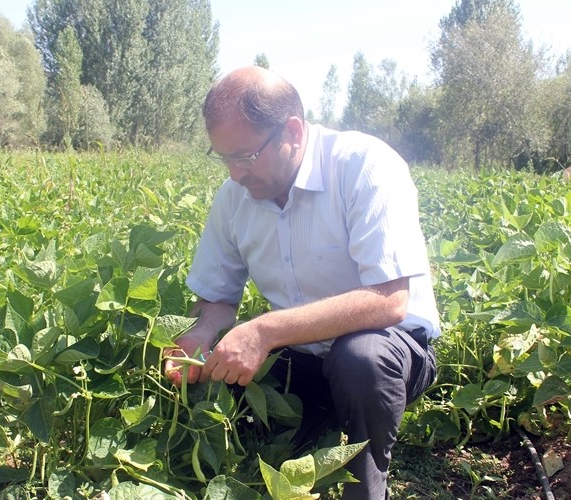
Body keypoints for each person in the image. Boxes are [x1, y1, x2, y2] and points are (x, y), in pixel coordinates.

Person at [164, 66, 440, 499]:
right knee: (232, 388)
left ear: (291, 131)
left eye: (245, 157)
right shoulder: (234, 197)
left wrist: (264, 330)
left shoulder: (363, 165)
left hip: (388, 348)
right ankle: (302, 434)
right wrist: (199, 336)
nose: (235, 174)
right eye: (224, 158)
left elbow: (389, 300)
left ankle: (367, 484)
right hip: (299, 355)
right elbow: (216, 298)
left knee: (360, 359)